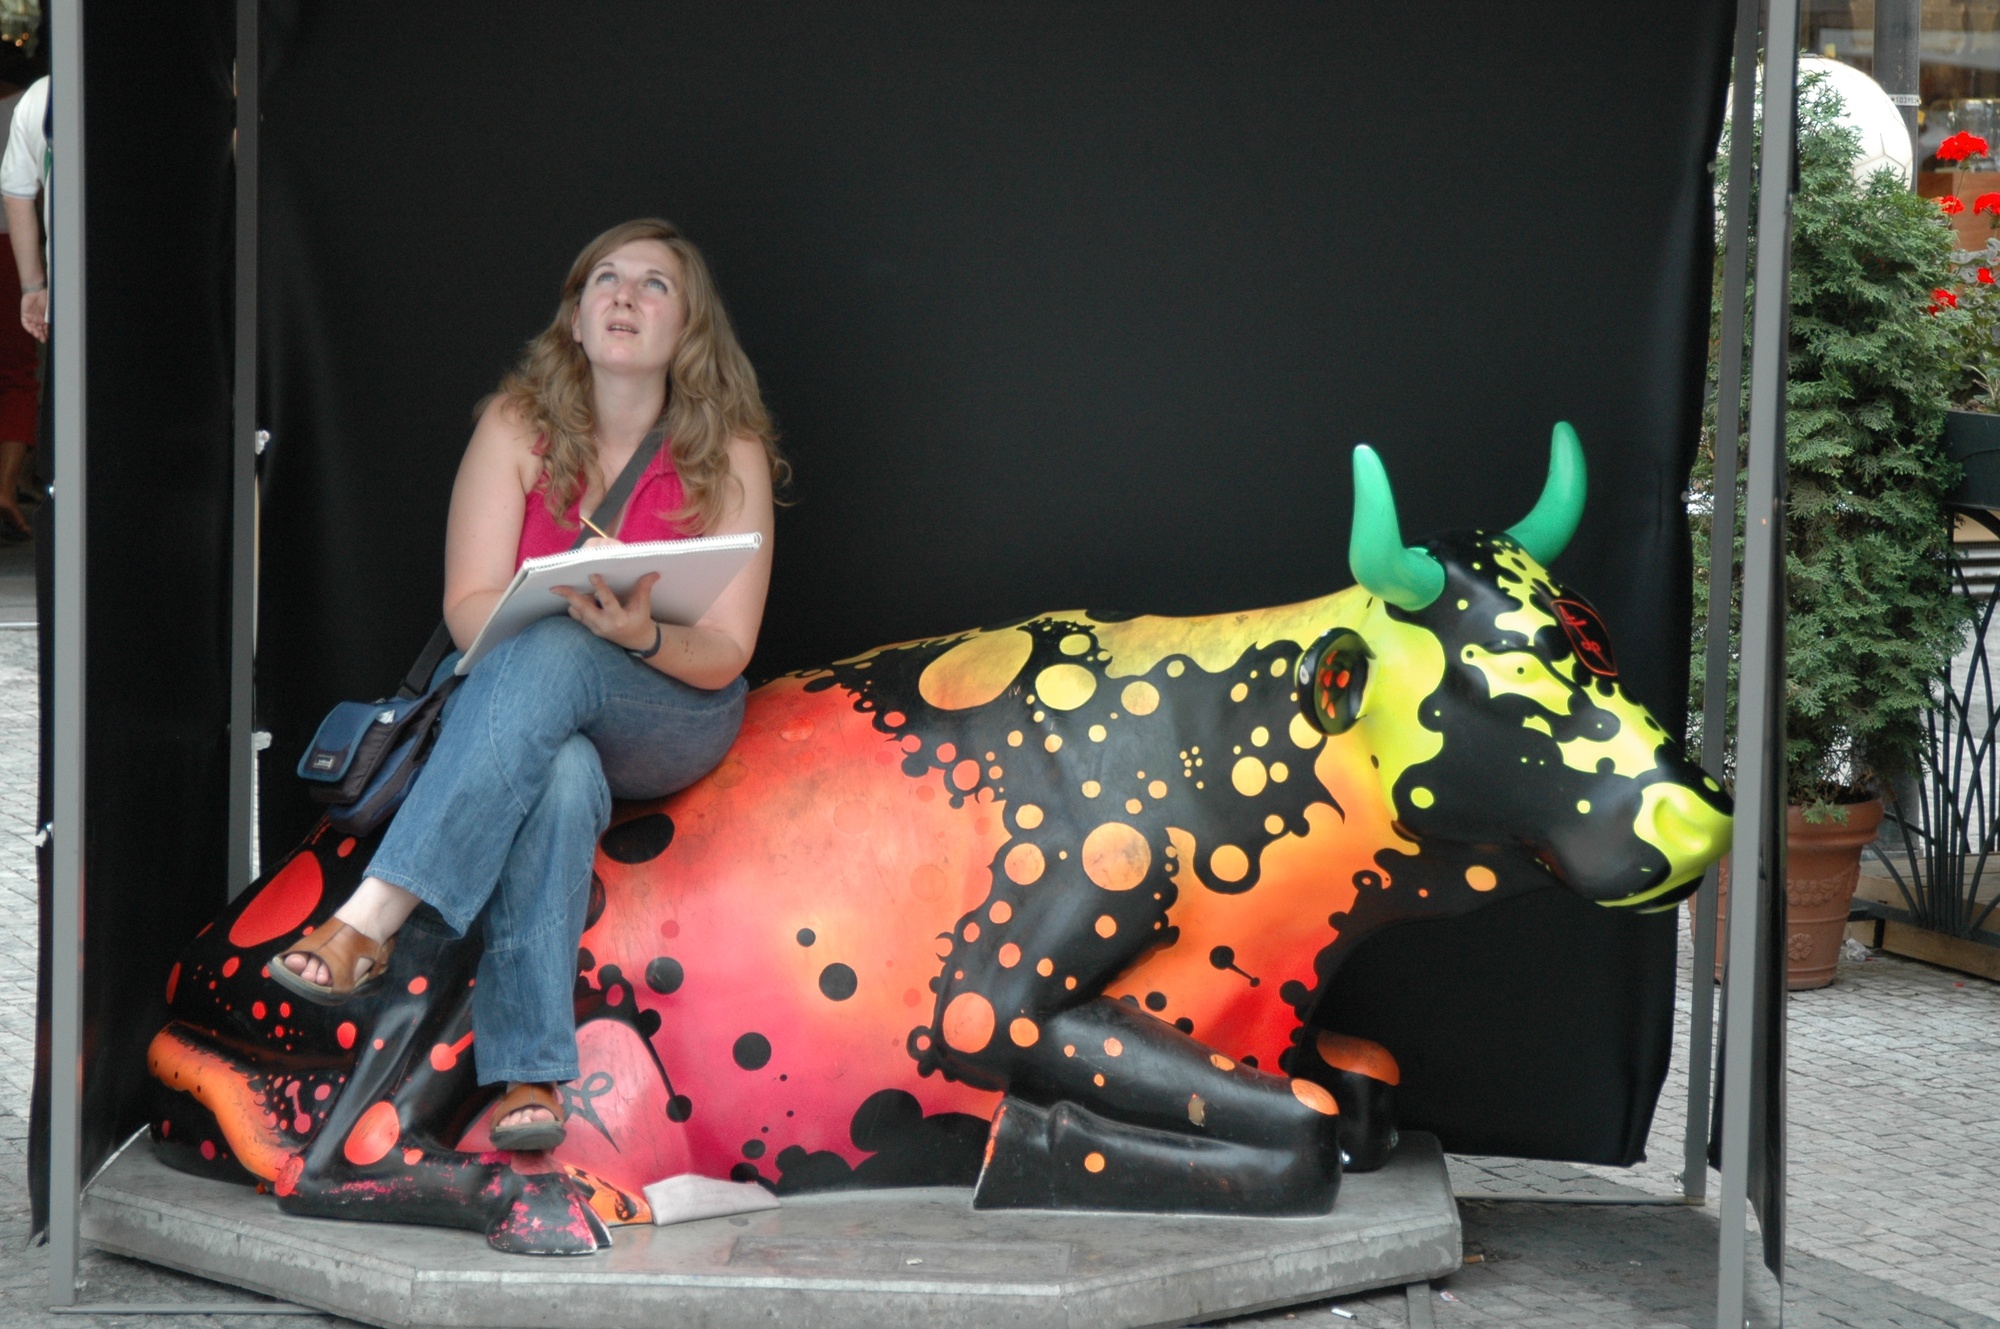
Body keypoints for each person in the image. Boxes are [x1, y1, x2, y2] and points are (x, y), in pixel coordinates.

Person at [271, 218, 782, 1149]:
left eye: (655, 284)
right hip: (526, 708)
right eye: (605, 280)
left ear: (689, 327)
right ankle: (530, 1078)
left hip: (671, 710)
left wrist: (638, 634)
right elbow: (470, 608)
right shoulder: (516, 425)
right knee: (562, 772)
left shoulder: (730, 449)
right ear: (576, 319)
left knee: (557, 652)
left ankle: (373, 917)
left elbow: (727, 648)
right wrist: (556, 633)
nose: (624, 296)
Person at [0, 73, 47, 540]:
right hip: (9, 249)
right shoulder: (34, 98)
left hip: (12, 245)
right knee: (17, 372)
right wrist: (34, 281)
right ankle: (6, 486)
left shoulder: (35, 101)